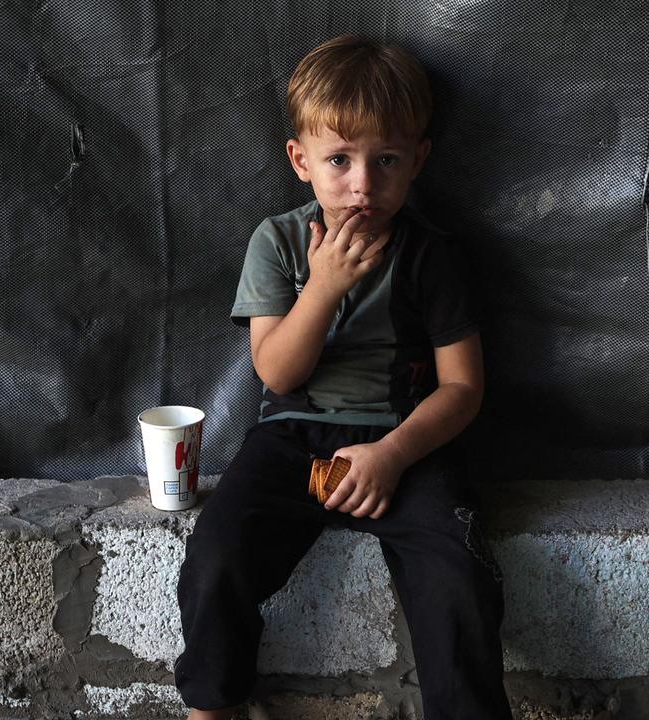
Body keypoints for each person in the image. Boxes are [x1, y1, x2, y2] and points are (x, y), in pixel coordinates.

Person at [174, 35, 512, 720]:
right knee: (216, 557)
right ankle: (211, 709)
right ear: (301, 161)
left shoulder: (432, 256)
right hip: (292, 436)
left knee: (460, 580)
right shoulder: (279, 243)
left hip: (407, 443)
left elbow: (463, 388)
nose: (363, 184)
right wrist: (323, 286)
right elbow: (276, 370)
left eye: (386, 160)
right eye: (340, 160)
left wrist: (391, 456)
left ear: (417, 159)